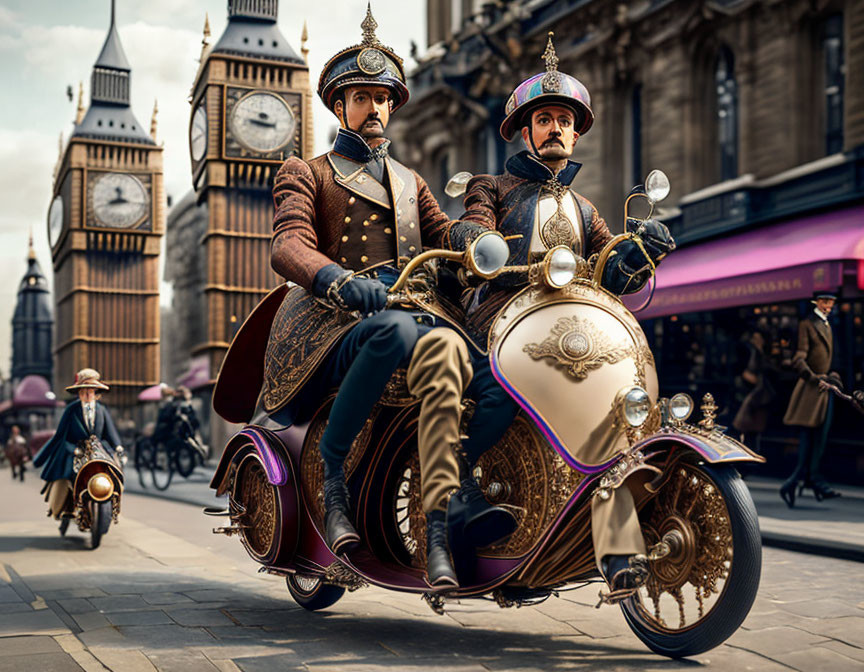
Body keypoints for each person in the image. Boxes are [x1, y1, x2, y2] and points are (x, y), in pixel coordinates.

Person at [260, 6, 512, 588]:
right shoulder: (308, 171)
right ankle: (332, 476)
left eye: (384, 98)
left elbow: (439, 232)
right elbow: (288, 246)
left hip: (412, 316)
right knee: (394, 331)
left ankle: (451, 496)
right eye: (362, 97)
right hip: (332, 324)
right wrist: (341, 281)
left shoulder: (409, 179)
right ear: (339, 106)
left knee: (495, 375)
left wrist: (471, 232)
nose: (375, 108)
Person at [445, 33, 675, 601]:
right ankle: (455, 487)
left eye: (564, 121)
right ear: (526, 131)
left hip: (578, 331)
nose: (555, 128)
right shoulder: (491, 186)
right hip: (504, 327)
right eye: (544, 118)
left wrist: (639, 252)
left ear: (575, 133)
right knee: (496, 394)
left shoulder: (587, 207)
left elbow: (609, 271)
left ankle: (618, 553)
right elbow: (470, 225)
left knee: (621, 418)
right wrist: (478, 236)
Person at [32, 369, 123, 529]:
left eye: (91, 391)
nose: (87, 395)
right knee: (67, 476)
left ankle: (111, 500)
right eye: (84, 391)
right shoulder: (71, 410)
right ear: (78, 393)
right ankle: (68, 507)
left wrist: (118, 446)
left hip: (98, 449)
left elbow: (110, 431)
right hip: (75, 449)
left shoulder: (102, 410)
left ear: (96, 393)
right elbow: (61, 435)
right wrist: (71, 449)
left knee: (115, 472)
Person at [780, 291, 843, 507]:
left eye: (831, 302)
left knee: (820, 437)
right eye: (825, 302)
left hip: (825, 389)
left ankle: (806, 479)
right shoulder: (807, 324)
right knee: (809, 438)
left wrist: (833, 375)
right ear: (817, 303)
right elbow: (799, 358)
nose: (828, 305)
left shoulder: (828, 325)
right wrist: (813, 378)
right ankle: (803, 480)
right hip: (811, 390)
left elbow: (830, 359)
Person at [733, 330, 776, 453]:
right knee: (747, 428)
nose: (755, 341)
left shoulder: (761, 353)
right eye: (754, 338)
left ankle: (752, 452)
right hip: (752, 394)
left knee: (753, 429)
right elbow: (746, 372)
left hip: (760, 395)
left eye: (758, 338)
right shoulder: (753, 352)